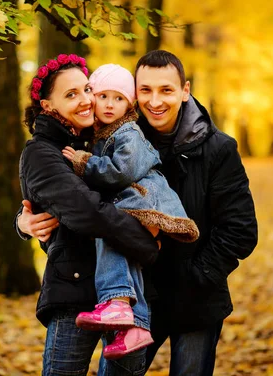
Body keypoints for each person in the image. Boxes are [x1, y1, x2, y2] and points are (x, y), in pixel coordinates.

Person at [18, 50, 258, 376]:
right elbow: (63, 191)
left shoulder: (216, 148)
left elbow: (241, 230)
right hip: (139, 294)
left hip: (195, 297)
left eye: (166, 90)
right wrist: (23, 220)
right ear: (135, 94)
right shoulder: (114, 131)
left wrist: (196, 277)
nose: (155, 100)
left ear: (185, 90)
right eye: (145, 90)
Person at [17, 53, 159, 376]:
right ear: (48, 106)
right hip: (75, 294)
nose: (85, 100)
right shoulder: (41, 152)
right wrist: (147, 244)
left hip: (128, 299)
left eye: (86, 90)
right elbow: (87, 212)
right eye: (70, 94)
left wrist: (21, 222)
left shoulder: (104, 139)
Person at [60, 64, 199, 360]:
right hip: (136, 199)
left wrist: (85, 163)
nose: (110, 104)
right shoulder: (99, 134)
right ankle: (135, 327)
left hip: (145, 200)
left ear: (130, 104)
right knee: (128, 253)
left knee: (107, 229)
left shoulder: (127, 132)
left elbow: (121, 172)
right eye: (103, 96)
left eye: (119, 98)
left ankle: (116, 302)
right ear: (91, 97)